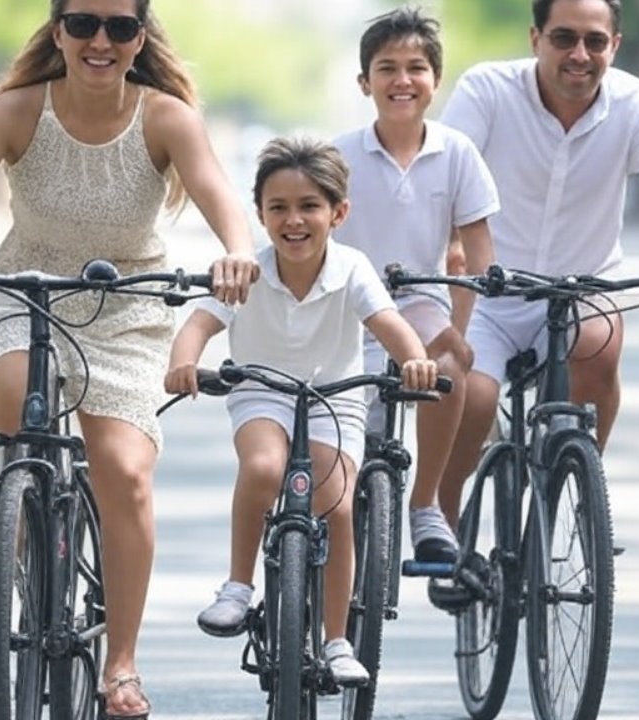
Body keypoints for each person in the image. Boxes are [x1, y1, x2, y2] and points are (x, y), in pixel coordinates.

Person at [0, 1, 260, 716]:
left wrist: (236, 250)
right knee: (13, 390)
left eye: (119, 27)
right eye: (82, 25)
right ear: (59, 33)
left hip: (126, 304)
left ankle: (121, 666)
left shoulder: (166, 117)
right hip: (26, 288)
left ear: (141, 38)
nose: (100, 41)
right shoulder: (15, 110)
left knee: (127, 475)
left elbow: (219, 197)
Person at [434, 0, 639, 529]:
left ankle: (571, 492)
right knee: (477, 397)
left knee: (601, 354)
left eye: (595, 41)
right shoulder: (487, 91)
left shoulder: (636, 102)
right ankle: (443, 513)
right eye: (564, 38)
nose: (580, 54)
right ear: (535, 39)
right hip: (489, 293)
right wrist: (444, 250)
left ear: (614, 47)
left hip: (581, 292)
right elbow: (440, 179)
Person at [164, 136, 439, 685]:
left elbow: (389, 323)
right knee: (264, 468)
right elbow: (200, 322)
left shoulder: (352, 268)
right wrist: (184, 360)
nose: (294, 220)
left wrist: (416, 360)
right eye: (279, 208)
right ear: (260, 214)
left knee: (336, 504)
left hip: (334, 396)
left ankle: (337, 640)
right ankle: (238, 585)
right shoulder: (247, 269)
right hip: (261, 390)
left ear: (339, 212)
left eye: (309, 206)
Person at [332, 6, 499, 564]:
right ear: (365, 82)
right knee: (342, 431)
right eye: (387, 68)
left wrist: (460, 326)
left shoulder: (457, 153)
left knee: (450, 367)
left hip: (419, 299)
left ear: (435, 80)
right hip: (349, 305)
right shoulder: (339, 157)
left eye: (416, 67)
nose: (402, 80)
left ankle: (425, 503)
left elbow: (477, 249)